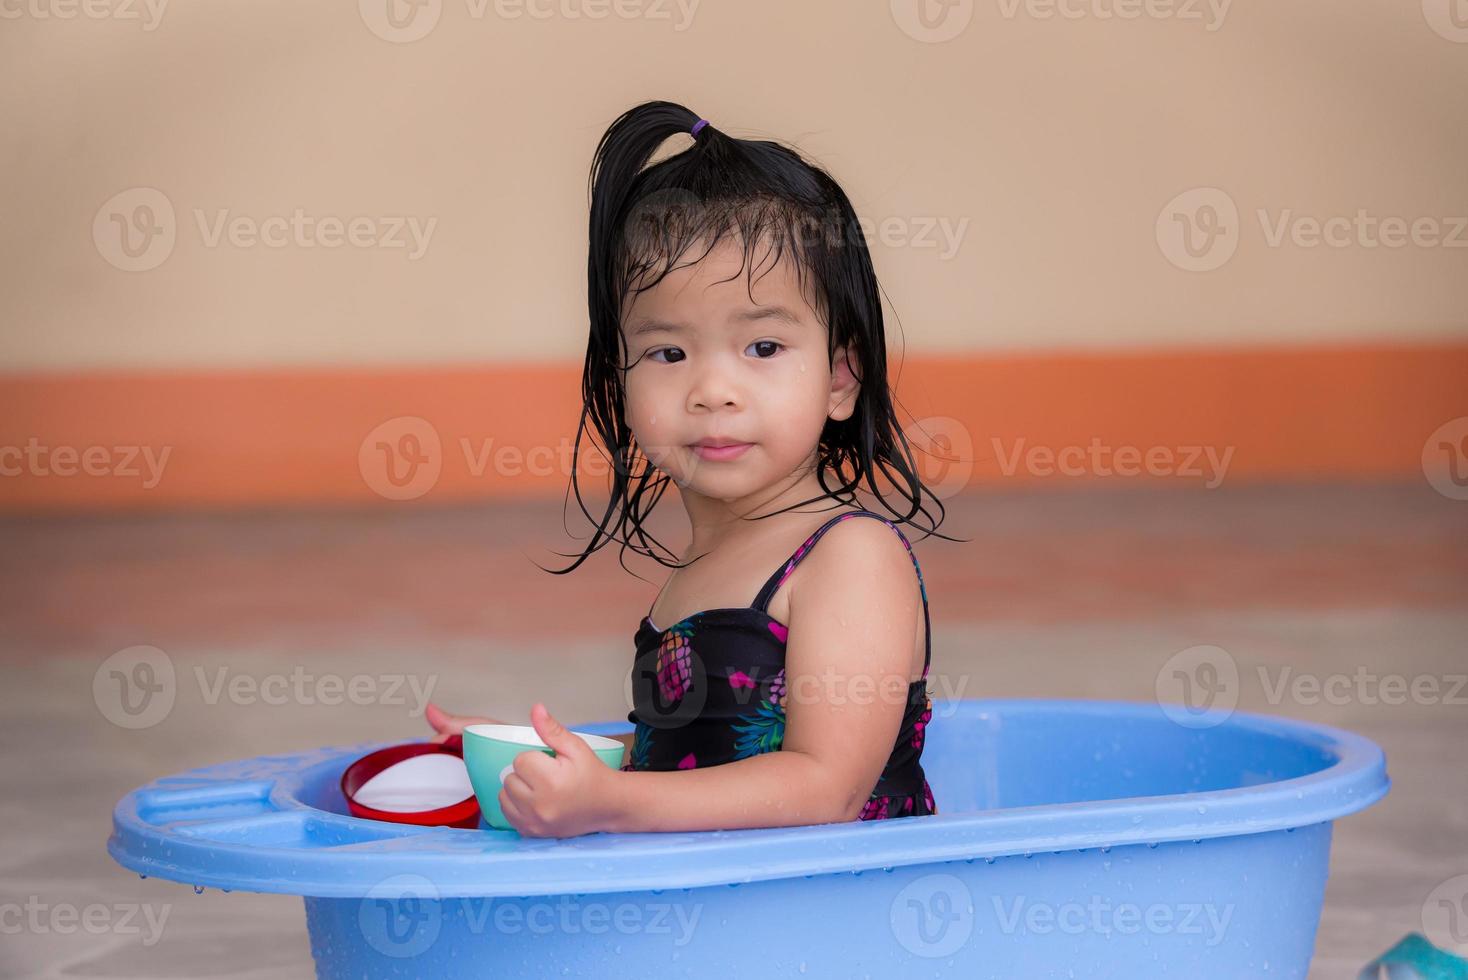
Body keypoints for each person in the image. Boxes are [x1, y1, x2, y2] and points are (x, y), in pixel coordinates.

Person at [428, 100, 961, 837]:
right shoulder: (703, 561)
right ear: (621, 379)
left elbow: (823, 785)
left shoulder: (850, 558)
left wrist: (610, 804)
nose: (713, 391)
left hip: (843, 923)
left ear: (841, 378)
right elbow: (686, 764)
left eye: (764, 348)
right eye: (669, 353)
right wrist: (539, 761)